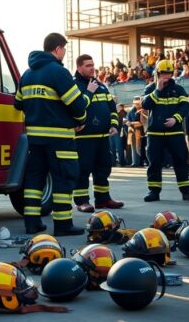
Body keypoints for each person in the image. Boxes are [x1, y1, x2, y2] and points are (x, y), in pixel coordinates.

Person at [13, 33, 93, 236]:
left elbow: (18, 103)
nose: (64, 53)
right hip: (59, 138)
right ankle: (63, 224)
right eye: (64, 49)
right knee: (64, 178)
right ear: (58, 49)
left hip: (34, 138)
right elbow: (77, 103)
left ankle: (32, 223)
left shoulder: (27, 74)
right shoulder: (58, 72)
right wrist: (81, 120)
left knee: (34, 180)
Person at [72, 54, 125, 212]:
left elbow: (112, 108)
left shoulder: (101, 86)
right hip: (84, 138)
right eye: (88, 65)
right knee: (83, 170)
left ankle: (103, 199)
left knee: (103, 169)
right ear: (79, 67)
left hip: (102, 138)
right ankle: (82, 202)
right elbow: (75, 108)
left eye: (93, 65)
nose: (92, 68)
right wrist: (88, 91)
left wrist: (114, 125)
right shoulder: (74, 86)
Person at [141, 60, 189, 203]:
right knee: (154, 163)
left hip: (175, 133)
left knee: (181, 161)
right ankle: (153, 191)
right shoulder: (150, 88)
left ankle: (186, 191)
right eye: (163, 74)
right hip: (155, 134)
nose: (166, 76)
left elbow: (185, 107)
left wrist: (175, 119)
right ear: (158, 74)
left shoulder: (179, 89)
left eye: (169, 73)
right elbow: (145, 104)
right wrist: (157, 90)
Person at [125, 97, 145, 166]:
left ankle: (142, 162)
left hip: (142, 132)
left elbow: (143, 121)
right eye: (135, 103)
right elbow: (127, 119)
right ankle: (135, 162)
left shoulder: (143, 110)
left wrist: (132, 123)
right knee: (134, 147)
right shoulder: (131, 111)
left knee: (142, 147)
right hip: (133, 131)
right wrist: (127, 122)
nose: (136, 105)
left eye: (138, 103)